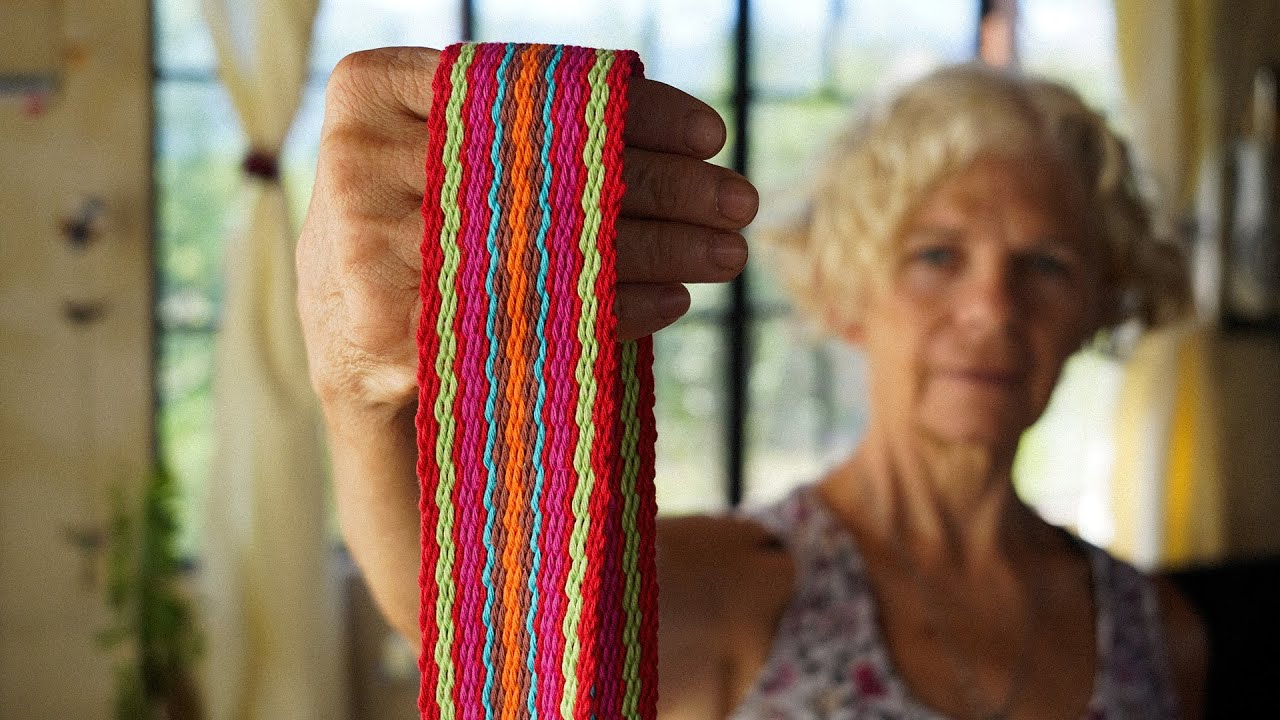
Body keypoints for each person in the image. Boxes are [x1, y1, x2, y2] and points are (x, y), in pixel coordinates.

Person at [296, 47, 1207, 719]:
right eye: (937, 256)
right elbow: (463, 619)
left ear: (1100, 301)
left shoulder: (1156, 631)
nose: (992, 307)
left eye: (1045, 264)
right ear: (850, 294)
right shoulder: (736, 584)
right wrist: (358, 387)